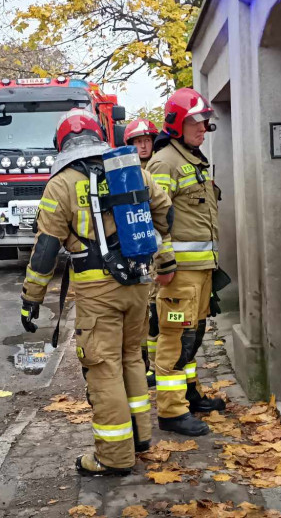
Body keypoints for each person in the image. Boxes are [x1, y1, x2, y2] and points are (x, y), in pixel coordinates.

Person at [20, 109, 176, 476]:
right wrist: (153, 249)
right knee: (131, 358)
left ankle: (114, 456)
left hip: (96, 290)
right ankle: (139, 437)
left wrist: (32, 299)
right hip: (138, 283)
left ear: (62, 144)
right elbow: (165, 214)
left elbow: (45, 249)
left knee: (103, 367)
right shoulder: (128, 169)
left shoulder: (60, 184)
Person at [146, 88, 225, 437]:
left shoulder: (194, 160)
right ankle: (171, 411)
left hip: (200, 272)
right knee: (174, 339)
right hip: (178, 274)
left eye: (204, 121)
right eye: (195, 120)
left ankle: (189, 396)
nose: (202, 127)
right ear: (177, 123)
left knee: (193, 336)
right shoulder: (165, 162)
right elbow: (151, 215)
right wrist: (163, 262)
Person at [124, 119, 161, 387]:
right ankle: (145, 361)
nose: (144, 145)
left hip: (161, 253)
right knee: (143, 313)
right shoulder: (124, 174)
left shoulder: (159, 168)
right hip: (138, 254)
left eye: (147, 140)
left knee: (158, 312)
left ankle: (156, 365)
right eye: (138, 141)